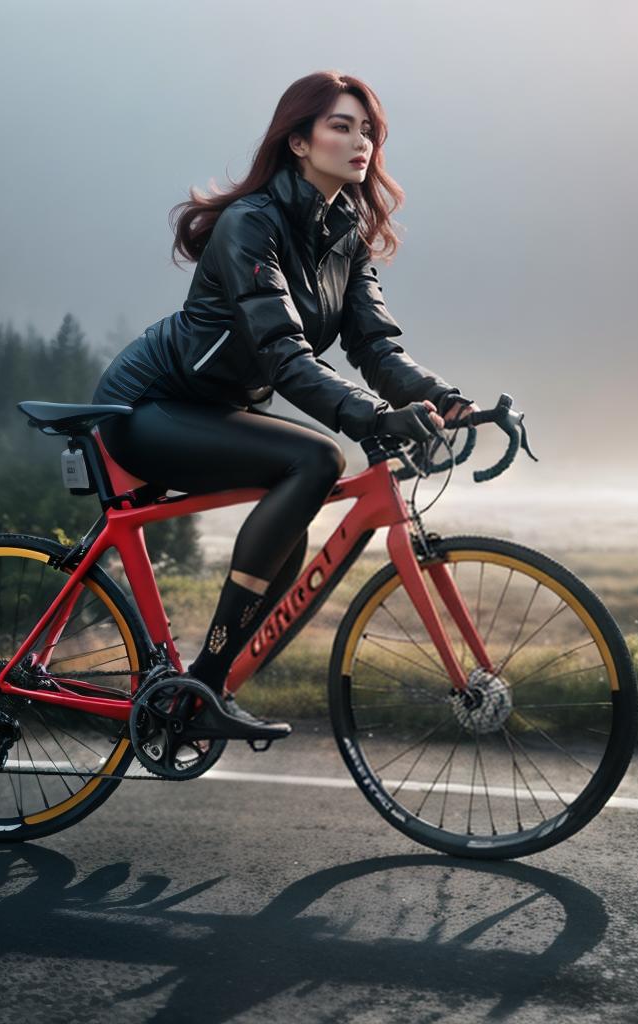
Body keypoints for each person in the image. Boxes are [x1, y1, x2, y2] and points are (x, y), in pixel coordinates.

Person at [92, 70, 475, 738]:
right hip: (146, 407)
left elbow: (377, 348)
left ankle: (200, 689)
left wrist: (445, 398)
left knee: (290, 530)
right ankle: (205, 690)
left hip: (212, 408)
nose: (360, 142)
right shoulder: (250, 223)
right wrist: (373, 417)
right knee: (318, 458)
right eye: (341, 126)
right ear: (299, 141)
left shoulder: (344, 235)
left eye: (368, 131)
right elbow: (282, 353)